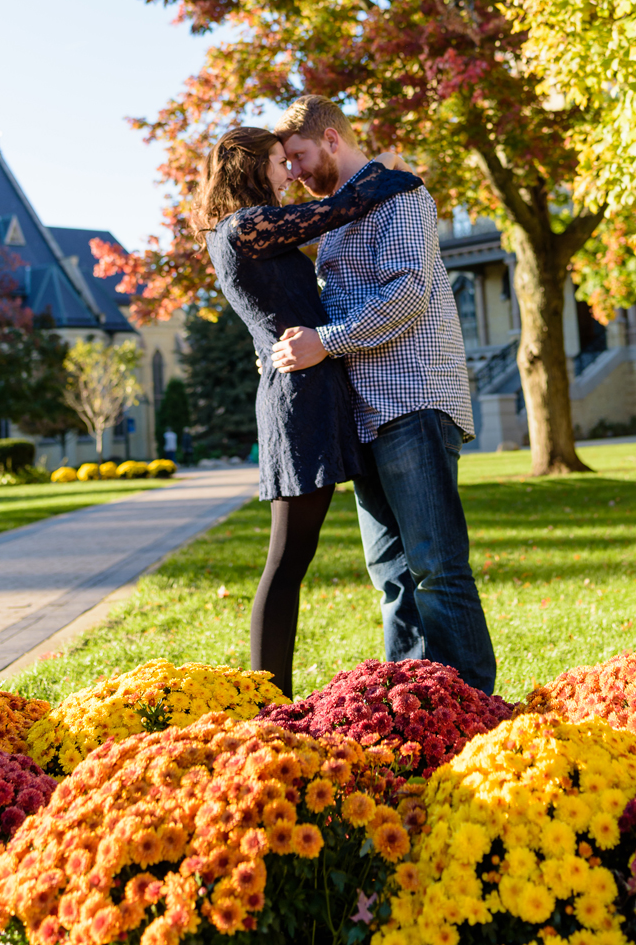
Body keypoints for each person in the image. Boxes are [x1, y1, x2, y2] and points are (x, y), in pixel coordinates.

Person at [268, 95, 497, 693]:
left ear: (332, 139)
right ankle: (414, 703)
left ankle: (474, 704)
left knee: (436, 566)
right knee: (393, 576)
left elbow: (407, 295)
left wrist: (328, 341)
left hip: (411, 401)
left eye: (298, 156)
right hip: (365, 415)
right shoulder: (341, 215)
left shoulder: (399, 196)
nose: (292, 173)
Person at [197, 127, 421, 698]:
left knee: (360, 551)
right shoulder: (245, 227)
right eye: (279, 162)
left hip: (318, 391)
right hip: (298, 402)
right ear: (250, 169)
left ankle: (414, 668)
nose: (289, 172)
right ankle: (268, 698)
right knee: (288, 558)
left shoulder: (248, 232)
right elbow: (340, 208)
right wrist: (395, 175)